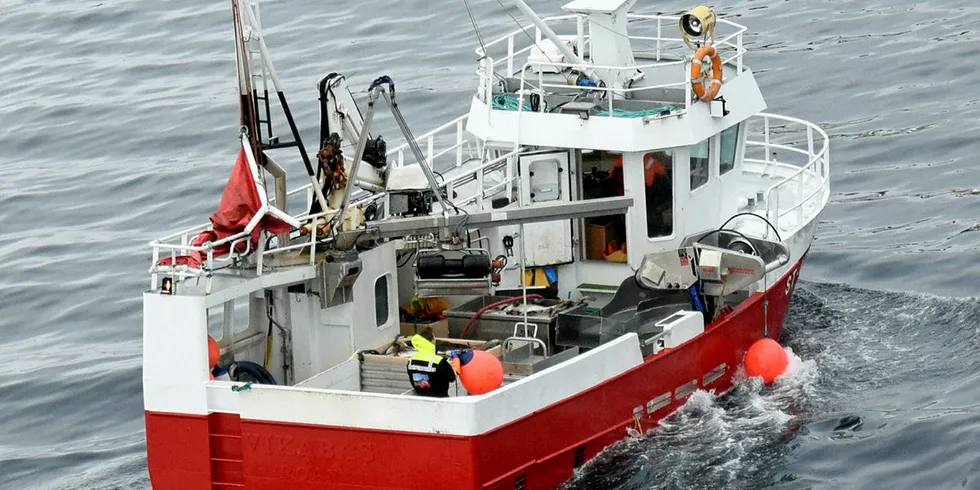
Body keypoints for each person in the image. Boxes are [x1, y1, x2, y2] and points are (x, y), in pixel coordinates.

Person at [406, 327, 467, 397]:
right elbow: (452, 378)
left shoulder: (411, 361)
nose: (435, 340)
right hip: (440, 401)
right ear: (431, 341)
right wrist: (456, 359)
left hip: (421, 400)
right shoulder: (438, 361)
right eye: (434, 338)